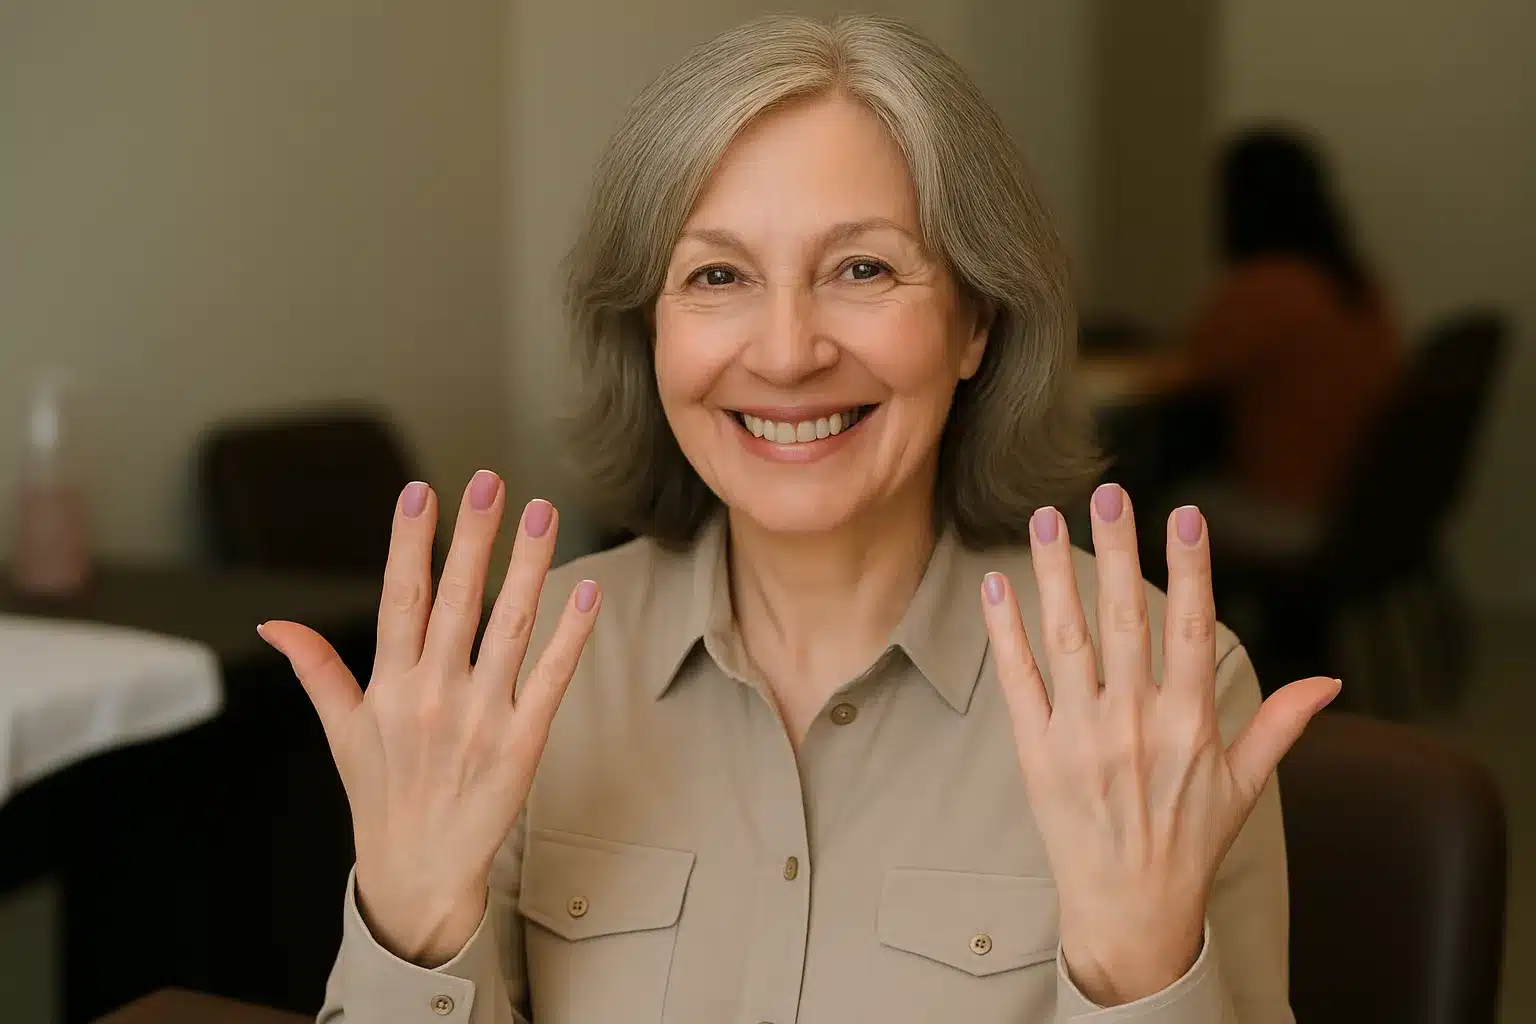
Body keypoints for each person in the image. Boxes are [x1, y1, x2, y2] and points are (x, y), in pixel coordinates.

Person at [259, 15, 1340, 1023]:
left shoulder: (1155, 685)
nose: (785, 352)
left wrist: (1141, 970)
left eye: (861, 267)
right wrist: (410, 925)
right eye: (718, 274)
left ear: (974, 322)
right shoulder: (521, 664)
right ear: (649, 333)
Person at [1139, 127, 1402, 559]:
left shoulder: (1266, 287)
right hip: (1357, 502)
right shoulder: (1354, 285)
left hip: (1290, 505)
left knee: (1136, 506)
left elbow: (1179, 375)